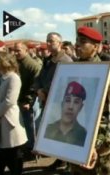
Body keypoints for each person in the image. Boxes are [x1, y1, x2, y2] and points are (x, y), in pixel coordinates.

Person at [70, 26, 110, 175]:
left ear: (96, 47)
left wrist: (92, 145)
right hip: (75, 136)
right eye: (77, 41)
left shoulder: (105, 73)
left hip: (97, 141)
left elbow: (104, 113)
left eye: (83, 42)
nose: (77, 45)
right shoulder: (71, 70)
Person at [33, 32, 73, 170]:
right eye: (47, 41)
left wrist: (46, 91)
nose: (48, 44)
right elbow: (39, 77)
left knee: (65, 133)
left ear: (60, 44)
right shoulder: (49, 60)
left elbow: (65, 84)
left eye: (52, 41)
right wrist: (38, 90)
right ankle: (61, 159)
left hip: (60, 103)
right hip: (48, 101)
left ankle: (69, 163)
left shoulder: (66, 61)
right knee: (57, 133)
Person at [0, 53, 28, 175]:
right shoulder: (2, 76)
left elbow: (9, 101)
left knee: (13, 154)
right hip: (1, 120)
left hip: (9, 121)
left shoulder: (13, 78)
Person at [13, 42, 41, 154]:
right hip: (19, 99)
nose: (15, 53)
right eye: (15, 50)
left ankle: (32, 148)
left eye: (18, 50)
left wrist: (29, 101)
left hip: (29, 101)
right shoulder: (17, 63)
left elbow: (35, 85)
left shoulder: (32, 65)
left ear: (25, 50)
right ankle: (28, 146)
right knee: (23, 125)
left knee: (31, 126)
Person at [44, 81, 87, 146]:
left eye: (76, 102)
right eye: (68, 100)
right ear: (62, 104)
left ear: (81, 107)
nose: (70, 107)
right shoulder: (48, 129)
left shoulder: (84, 135)